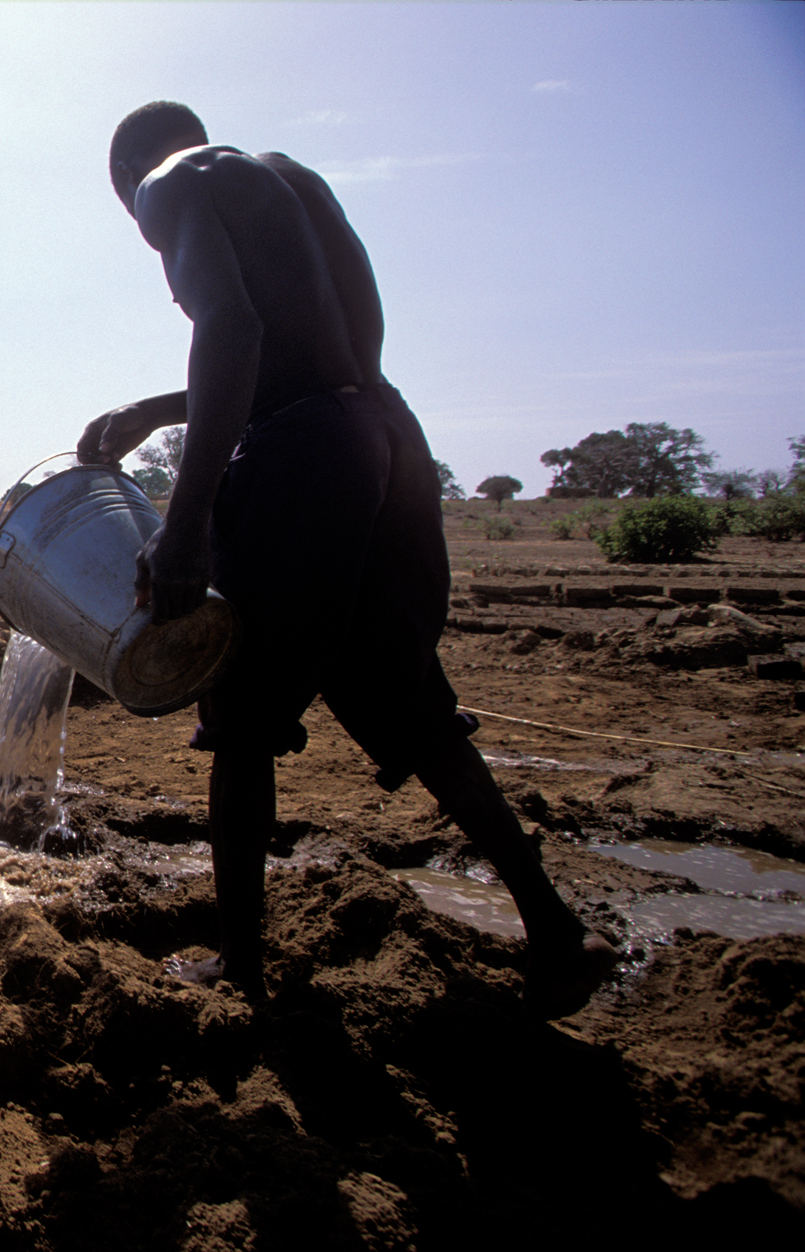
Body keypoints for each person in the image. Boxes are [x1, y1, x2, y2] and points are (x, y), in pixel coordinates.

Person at [76, 101, 616, 1017]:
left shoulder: (169, 185)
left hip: (303, 452)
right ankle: (556, 931)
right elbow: (325, 358)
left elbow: (235, 334)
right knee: (408, 697)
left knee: (240, 711)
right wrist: (154, 411)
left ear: (130, 179)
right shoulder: (292, 179)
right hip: (383, 435)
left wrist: (189, 518)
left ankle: (240, 974)